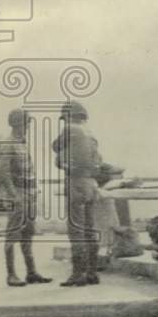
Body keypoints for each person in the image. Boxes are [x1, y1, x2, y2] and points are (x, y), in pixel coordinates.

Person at [0, 109, 53, 287]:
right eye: (26, 122)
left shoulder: (22, 142)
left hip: (29, 193)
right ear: (17, 124)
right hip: (18, 194)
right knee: (12, 234)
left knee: (28, 233)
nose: (28, 126)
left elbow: (28, 170)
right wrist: (14, 196)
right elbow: (3, 173)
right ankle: (11, 275)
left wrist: (34, 192)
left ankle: (31, 273)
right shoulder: (8, 143)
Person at [51, 100, 102, 286]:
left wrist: (62, 157)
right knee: (90, 229)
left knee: (76, 229)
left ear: (69, 117)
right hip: (91, 183)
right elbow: (99, 162)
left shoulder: (70, 130)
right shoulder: (90, 134)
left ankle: (77, 274)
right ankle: (92, 273)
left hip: (76, 182)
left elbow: (55, 147)